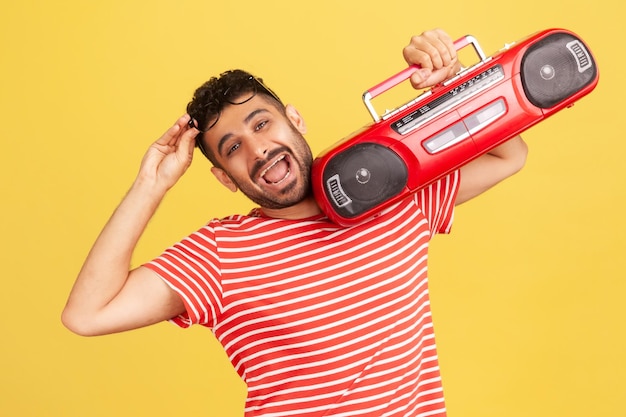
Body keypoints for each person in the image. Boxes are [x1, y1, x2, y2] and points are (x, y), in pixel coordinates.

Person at [62, 28, 528, 416]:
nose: (257, 149)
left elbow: (508, 155)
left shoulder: (389, 191)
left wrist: (449, 86)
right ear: (225, 179)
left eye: (261, 124)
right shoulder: (220, 253)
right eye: (232, 147)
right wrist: (152, 182)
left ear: (295, 120)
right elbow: (87, 314)